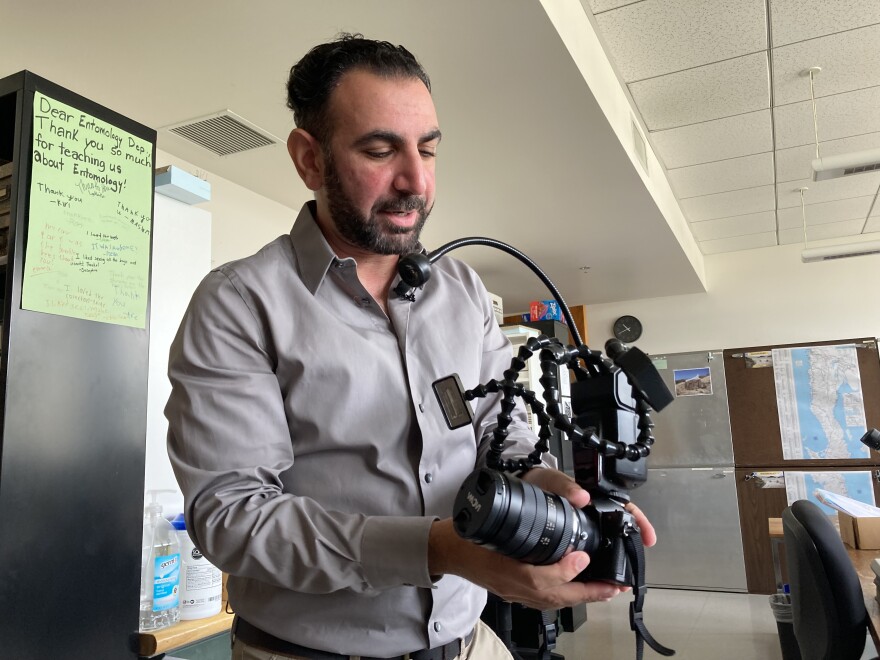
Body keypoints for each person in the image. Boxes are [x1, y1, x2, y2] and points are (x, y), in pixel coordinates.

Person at [165, 33, 656, 660]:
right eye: (380, 150)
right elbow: (232, 517)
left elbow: (497, 439)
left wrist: (548, 493)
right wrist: (439, 549)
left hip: (470, 642)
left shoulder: (465, 293)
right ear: (309, 160)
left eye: (428, 149)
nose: (416, 181)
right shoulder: (238, 303)